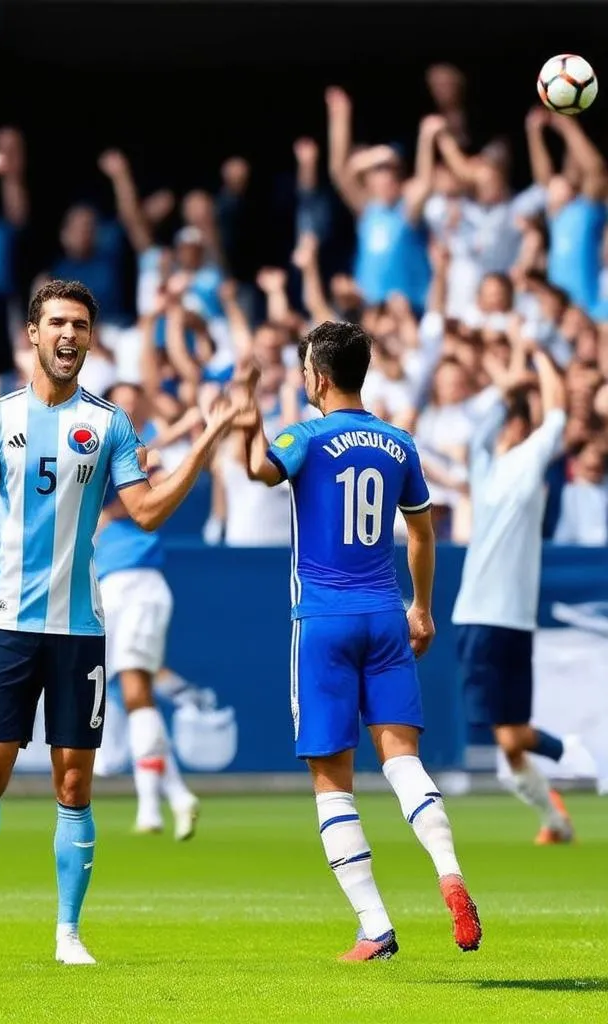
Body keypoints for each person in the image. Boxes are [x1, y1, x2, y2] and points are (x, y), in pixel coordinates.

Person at [0, 279, 241, 968]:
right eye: (57, 322)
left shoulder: (109, 423)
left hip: (80, 629)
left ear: (90, 338)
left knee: (73, 785)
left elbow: (145, 511)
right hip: (2, 624)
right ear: (32, 333)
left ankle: (67, 931)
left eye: (81, 325)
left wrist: (206, 438)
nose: (69, 335)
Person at [237, 320, 481, 962]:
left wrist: (245, 416)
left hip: (322, 621)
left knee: (333, 782)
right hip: (385, 615)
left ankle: (375, 926)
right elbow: (423, 535)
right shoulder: (399, 443)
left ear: (316, 376)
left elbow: (259, 472)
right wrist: (421, 608)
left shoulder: (306, 437)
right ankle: (449, 869)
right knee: (404, 762)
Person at [451, 344, 585, 843]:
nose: (504, 427)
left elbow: (555, 412)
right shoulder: (485, 469)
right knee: (509, 743)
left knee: (509, 735)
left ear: (519, 430)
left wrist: (540, 356)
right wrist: (508, 385)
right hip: (487, 617)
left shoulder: (528, 461)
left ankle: (577, 749)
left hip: (495, 621)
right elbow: (479, 430)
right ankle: (556, 822)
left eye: (511, 421)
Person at [93, 381, 199, 839]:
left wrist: (178, 435)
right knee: (129, 694)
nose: (129, 413)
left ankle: (149, 808)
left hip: (138, 583)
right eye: (121, 406)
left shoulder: (148, 463)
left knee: (136, 690)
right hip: (103, 588)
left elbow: (138, 488)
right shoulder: (95, 452)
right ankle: (176, 795)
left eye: (136, 405)